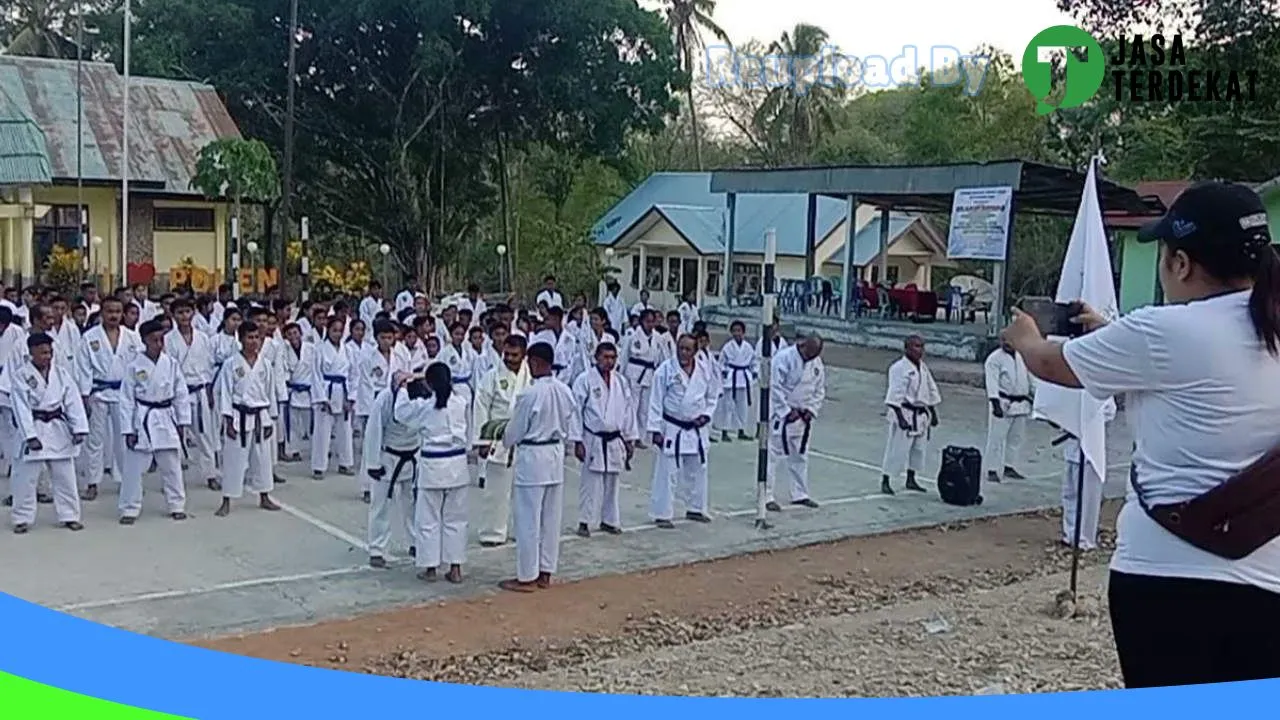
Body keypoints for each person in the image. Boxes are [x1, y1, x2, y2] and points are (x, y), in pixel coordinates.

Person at [1005, 181, 1280, 688]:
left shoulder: (1162, 330)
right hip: (1266, 579)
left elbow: (1050, 364)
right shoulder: (1268, 322)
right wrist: (1109, 328)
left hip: (1167, 578)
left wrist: (1025, 337)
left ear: (1181, 264)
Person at [499, 341, 578, 592]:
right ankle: (545, 572)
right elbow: (571, 421)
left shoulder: (529, 394)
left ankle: (526, 577)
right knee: (550, 519)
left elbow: (514, 432)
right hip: (555, 455)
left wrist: (504, 437)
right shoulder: (564, 390)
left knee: (528, 520)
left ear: (534, 362)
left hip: (533, 457)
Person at [395, 363, 471, 583]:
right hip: (457, 466)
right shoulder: (461, 403)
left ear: (428, 384)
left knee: (428, 519)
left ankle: (430, 569)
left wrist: (402, 386)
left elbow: (400, 413)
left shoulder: (424, 407)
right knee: (456, 519)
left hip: (432, 468)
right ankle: (455, 568)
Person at [9, 333, 88, 533]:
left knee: (65, 476)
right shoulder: (21, 376)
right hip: (35, 427)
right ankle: (22, 518)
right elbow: (20, 407)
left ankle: (70, 515)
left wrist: (79, 428)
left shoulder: (61, 374)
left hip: (58, 428)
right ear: (31, 353)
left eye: (50, 352)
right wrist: (29, 435)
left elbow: (73, 402)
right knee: (25, 478)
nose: (47, 356)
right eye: (43, 352)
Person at [119, 319, 191, 524]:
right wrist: (128, 429)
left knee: (171, 464)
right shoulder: (134, 366)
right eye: (154, 340)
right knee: (134, 467)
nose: (159, 344)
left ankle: (176, 504)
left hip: (166, 416)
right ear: (144, 341)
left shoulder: (171, 364)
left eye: (161, 340)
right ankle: (129, 508)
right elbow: (126, 399)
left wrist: (182, 422)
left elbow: (181, 394)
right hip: (142, 417)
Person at [648, 334, 720, 528]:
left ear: (695, 351)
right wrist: (655, 430)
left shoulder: (705, 369)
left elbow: (713, 395)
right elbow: (655, 401)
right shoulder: (665, 370)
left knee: (698, 470)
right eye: (680, 348)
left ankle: (696, 508)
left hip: (696, 428)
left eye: (688, 349)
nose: (683, 352)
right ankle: (662, 513)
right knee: (667, 471)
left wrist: (706, 414)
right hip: (672, 426)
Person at [76, 297, 142, 501]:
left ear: (122, 313)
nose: (113, 315)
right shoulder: (89, 337)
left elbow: (139, 367)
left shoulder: (132, 338)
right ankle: (92, 482)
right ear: (101, 313)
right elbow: (83, 368)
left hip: (123, 393)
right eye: (109, 311)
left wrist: (137, 393)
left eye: (117, 311)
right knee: (95, 440)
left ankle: (127, 481)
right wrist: (85, 395)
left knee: (124, 439)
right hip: (98, 392)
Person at [215, 320, 282, 516]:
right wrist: (227, 420)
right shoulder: (231, 364)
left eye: (257, 338)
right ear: (241, 339)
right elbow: (225, 393)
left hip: (261, 415)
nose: (254, 342)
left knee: (262, 459)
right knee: (233, 459)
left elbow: (271, 393)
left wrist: (271, 418)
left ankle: (264, 496)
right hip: (238, 415)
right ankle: (227, 500)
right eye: (249, 338)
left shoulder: (265, 364)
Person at [572, 341, 637, 537]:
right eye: (605, 357)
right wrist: (577, 440)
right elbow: (576, 411)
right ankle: (585, 521)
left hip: (615, 437)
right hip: (593, 437)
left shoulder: (621, 382)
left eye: (613, 358)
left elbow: (628, 411)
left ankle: (609, 520)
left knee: (612, 482)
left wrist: (629, 438)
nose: (609, 361)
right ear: (596, 358)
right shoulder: (584, 380)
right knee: (590, 482)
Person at [473, 334, 529, 547]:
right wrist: (483, 440)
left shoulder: (531, 375)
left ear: (523, 354)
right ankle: (492, 532)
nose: (509, 358)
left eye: (514, 355)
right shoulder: (491, 376)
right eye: (506, 354)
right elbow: (480, 407)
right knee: (496, 490)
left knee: (523, 491)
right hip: (497, 436)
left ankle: (520, 529)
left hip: (524, 439)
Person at [363, 374, 423, 568]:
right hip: (388, 457)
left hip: (412, 455)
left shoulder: (422, 397)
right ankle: (377, 549)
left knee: (413, 504)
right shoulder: (384, 399)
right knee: (380, 505)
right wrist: (373, 464)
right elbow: (373, 431)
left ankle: (416, 543)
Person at [766, 335, 826, 511]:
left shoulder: (816, 363)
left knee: (800, 456)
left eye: (815, 354)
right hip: (782, 416)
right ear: (803, 345)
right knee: (772, 455)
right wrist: (785, 411)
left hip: (802, 416)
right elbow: (774, 387)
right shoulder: (784, 358)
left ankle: (800, 494)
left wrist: (811, 410)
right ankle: (767, 495)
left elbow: (819, 390)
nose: (811, 358)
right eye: (809, 353)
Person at [165, 299, 218, 491]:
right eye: (179, 313)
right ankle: (174, 479)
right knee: (176, 437)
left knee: (205, 435)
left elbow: (209, 365)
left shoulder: (203, 338)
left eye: (187, 311)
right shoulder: (168, 340)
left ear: (193, 313)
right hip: (179, 393)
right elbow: (168, 369)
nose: (184, 316)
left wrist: (210, 391)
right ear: (173, 315)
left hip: (201, 390)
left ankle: (210, 474)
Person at [880, 335, 940, 495]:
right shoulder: (899, 368)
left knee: (918, 450)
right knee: (897, 449)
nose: (920, 350)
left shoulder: (922, 367)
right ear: (906, 348)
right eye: (916, 346)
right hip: (905, 412)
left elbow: (930, 389)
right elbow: (895, 394)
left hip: (920, 414)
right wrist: (900, 418)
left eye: (922, 346)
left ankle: (911, 478)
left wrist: (933, 413)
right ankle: (886, 479)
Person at [1058, 399, 1116, 551]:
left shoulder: (1099, 390)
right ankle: (1069, 533)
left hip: (1091, 451)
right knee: (1069, 493)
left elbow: (1110, 411)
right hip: (1071, 448)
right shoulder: (1071, 388)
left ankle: (1084, 538)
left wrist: (1089, 419)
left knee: (1088, 498)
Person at [311, 315, 356, 478]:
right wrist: (322, 399)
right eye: (334, 330)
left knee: (345, 430)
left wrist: (351, 397)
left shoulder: (348, 350)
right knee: (322, 431)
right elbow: (315, 375)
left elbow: (353, 374)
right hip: (327, 390)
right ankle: (318, 466)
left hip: (342, 391)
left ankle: (345, 463)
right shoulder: (319, 349)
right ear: (327, 330)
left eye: (340, 331)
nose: (337, 334)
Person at [982, 338, 1033, 483]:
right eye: (1004, 340)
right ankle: (992, 469)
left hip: (1021, 402)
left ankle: (1009, 466)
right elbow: (991, 382)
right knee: (996, 438)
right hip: (1003, 402)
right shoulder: (994, 359)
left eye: (1010, 339)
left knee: (1016, 438)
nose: (1007, 342)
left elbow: (1030, 378)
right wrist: (995, 403)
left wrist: (1037, 397)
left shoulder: (1021, 357)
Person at [619, 309, 661, 449]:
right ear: (641, 321)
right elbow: (624, 356)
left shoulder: (657, 337)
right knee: (632, 406)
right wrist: (621, 375)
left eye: (652, 321)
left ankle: (640, 437)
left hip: (649, 373)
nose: (650, 324)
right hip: (634, 373)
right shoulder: (632, 335)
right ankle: (629, 436)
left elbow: (660, 358)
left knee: (645, 408)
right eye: (647, 321)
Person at [712, 320, 756, 442]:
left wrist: (754, 372)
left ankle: (741, 430)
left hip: (743, 378)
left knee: (742, 407)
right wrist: (724, 371)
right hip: (731, 378)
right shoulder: (727, 347)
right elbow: (721, 363)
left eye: (739, 331)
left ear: (743, 332)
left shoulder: (748, 347)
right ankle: (724, 431)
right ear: (731, 332)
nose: (737, 333)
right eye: (735, 331)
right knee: (727, 406)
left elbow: (754, 361)